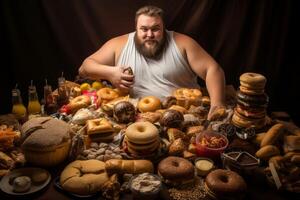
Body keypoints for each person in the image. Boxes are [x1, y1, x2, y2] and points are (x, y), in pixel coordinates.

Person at [79, 5, 226, 119]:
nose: (149, 35)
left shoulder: (182, 43)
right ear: (136, 29)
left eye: (155, 29)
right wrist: (110, 73)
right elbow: (84, 68)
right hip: (134, 117)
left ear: (163, 28)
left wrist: (217, 104)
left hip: (185, 116)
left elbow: (213, 69)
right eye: (144, 29)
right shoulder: (118, 44)